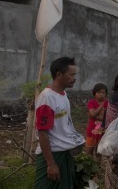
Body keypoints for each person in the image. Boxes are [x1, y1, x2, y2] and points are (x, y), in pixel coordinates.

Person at [34, 56, 85, 188]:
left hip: (63, 153)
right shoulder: (47, 98)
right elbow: (42, 133)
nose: (75, 78)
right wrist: (50, 163)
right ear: (58, 74)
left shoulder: (63, 95)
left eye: (75, 74)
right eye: (72, 75)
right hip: (52, 154)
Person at [84, 83, 108, 155]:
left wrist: (94, 116)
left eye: (103, 93)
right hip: (92, 131)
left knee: (99, 151)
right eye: (99, 92)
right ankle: (89, 165)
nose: (101, 94)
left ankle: (98, 166)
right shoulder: (91, 102)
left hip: (102, 131)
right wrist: (101, 105)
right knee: (89, 151)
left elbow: (106, 117)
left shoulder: (108, 103)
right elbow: (93, 114)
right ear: (94, 93)